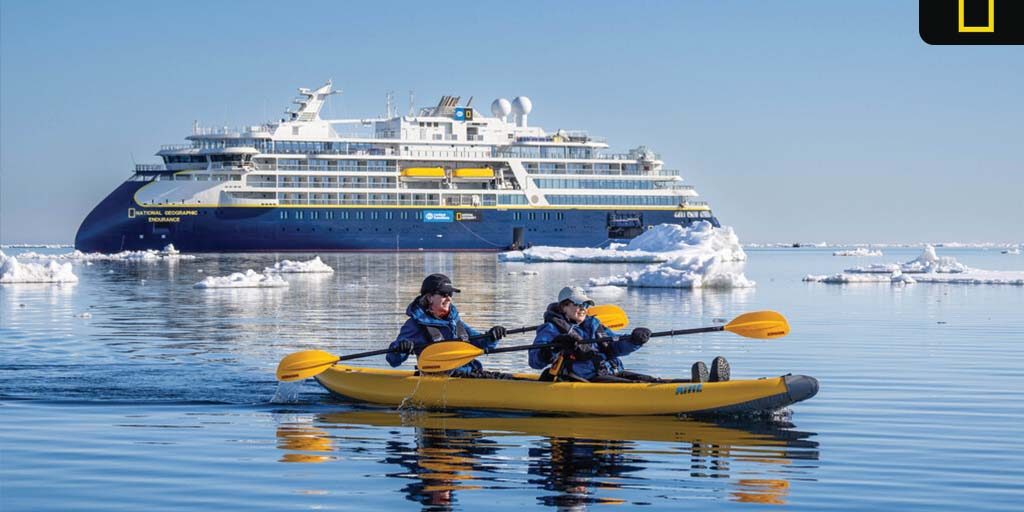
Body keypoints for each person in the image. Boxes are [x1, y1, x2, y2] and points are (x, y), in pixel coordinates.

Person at [529, 286, 729, 383]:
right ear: (564, 306)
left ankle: (700, 384)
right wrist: (554, 346)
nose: (583, 308)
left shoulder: (594, 324)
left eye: (586, 304)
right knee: (638, 386)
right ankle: (695, 393)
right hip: (583, 380)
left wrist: (634, 341)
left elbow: (615, 346)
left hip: (609, 372)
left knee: (652, 381)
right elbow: (535, 361)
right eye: (578, 304)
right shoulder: (550, 330)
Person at [387, 273, 507, 378]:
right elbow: (393, 360)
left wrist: (493, 336)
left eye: (450, 294)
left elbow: (481, 344)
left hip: (468, 374)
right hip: (438, 378)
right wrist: (401, 349)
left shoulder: (455, 321)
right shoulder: (414, 325)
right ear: (429, 297)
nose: (448, 298)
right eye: (444, 294)